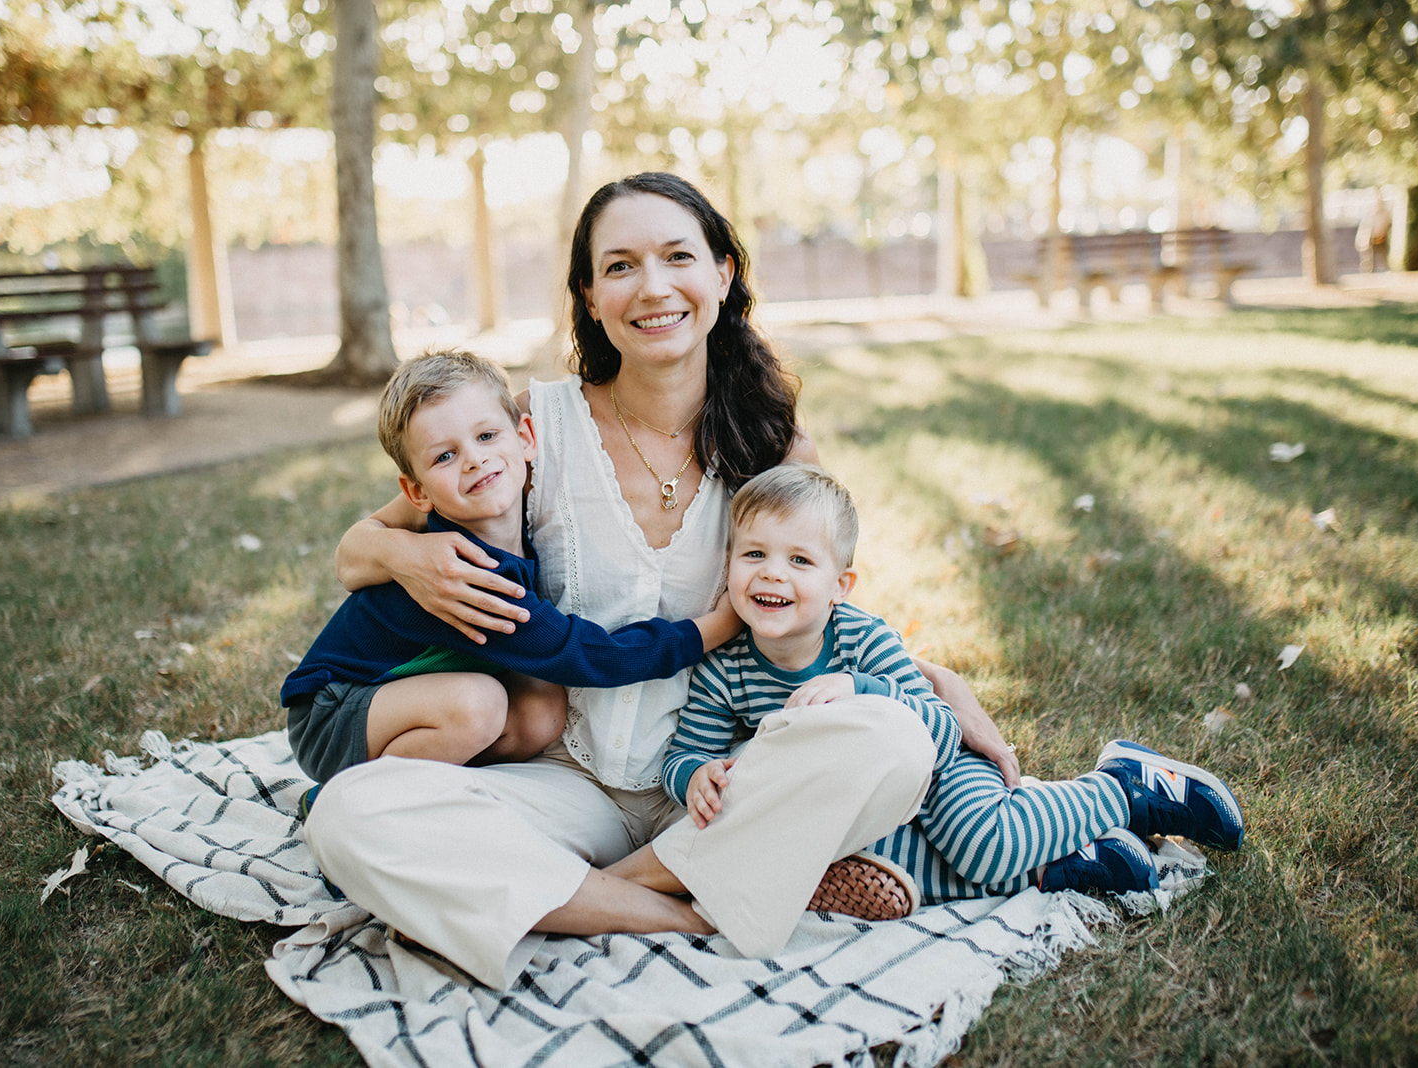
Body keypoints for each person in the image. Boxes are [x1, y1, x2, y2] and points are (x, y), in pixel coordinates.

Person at [305, 172, 1020, 990]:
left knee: (891, 740)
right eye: (619, 266)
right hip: (563, 781)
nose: (652, 287)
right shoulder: (534, 427)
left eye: (677, 256)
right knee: (349, 816)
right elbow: (357, 549)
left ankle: (606, 886)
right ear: (589, 293)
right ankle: (689, 897)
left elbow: (818, 611)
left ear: (722, 274)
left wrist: (935, 679)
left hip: (718, 781)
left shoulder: (774, 446)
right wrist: (407, 557)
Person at [605, 463, 1245, 957]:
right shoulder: (727, 669)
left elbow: (936, 724)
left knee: (982, 845)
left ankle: (1124, 789)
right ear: (729, 567)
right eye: (755, 555)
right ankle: (1059, 864)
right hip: (874, 804)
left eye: (800, 560)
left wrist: (862, 690)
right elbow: (689, 749)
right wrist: (694, 776)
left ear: (840, 585)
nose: (773, 575)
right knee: (894, 872)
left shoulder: (861, 638)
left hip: (943, 772)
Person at [281, 350, 741, 792]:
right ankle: (353, 798)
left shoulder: (511, 518)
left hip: (401, 698)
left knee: (540, 712)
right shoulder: (470, 574)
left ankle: (440, 786)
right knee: (476, 707)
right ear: (417, 491)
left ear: (525, 438)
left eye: (486, 437)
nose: (475, 459)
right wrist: (710, 629)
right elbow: (589, 656)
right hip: (333, 712)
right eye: (445, 456)